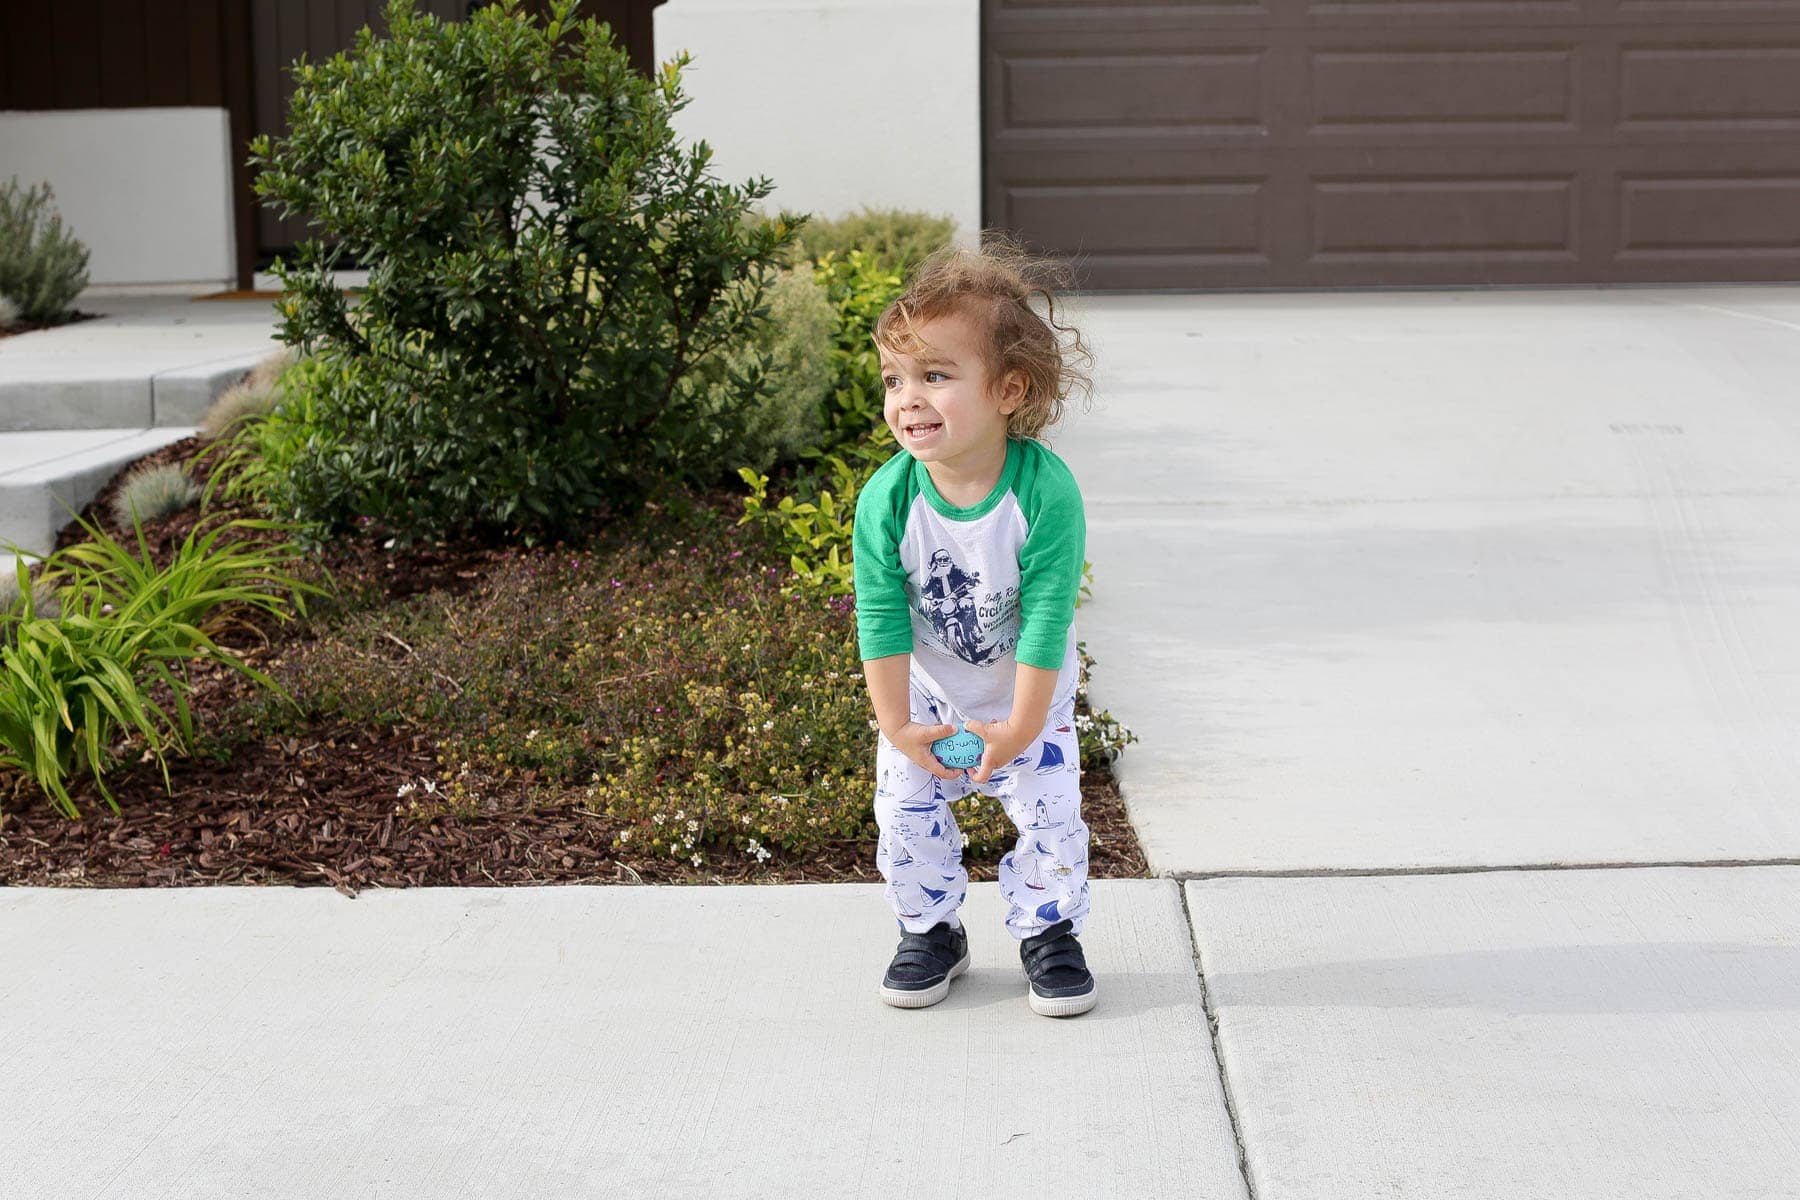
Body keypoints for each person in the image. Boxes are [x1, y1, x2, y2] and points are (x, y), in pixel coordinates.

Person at [852, 237, 1095, 1017]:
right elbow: (881, 617)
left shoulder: (1044, 491)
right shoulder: (888, 502)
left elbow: (1049, 613)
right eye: (894, 379)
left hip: (1029, 692)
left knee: (1049, 811)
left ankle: (1048, 932)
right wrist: (897, 724)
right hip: (928, 696)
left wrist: (1023, 725)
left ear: (1009, 390)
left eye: (935, 375)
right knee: (905, 807)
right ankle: (930, 930)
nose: (906, 398)